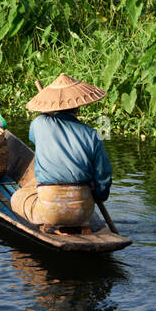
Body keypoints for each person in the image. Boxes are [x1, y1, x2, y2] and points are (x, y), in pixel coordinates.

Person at [10, 74, 112, 234]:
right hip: (82, 211)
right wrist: (100, 195)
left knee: (17, 198)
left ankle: (47, 224)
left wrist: (46, 116)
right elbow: (103, 174)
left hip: (50, 210)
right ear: (78, 106)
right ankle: (78, 225)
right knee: (82, 202)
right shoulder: (92, 134)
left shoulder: (39, 124)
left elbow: (34, 138)